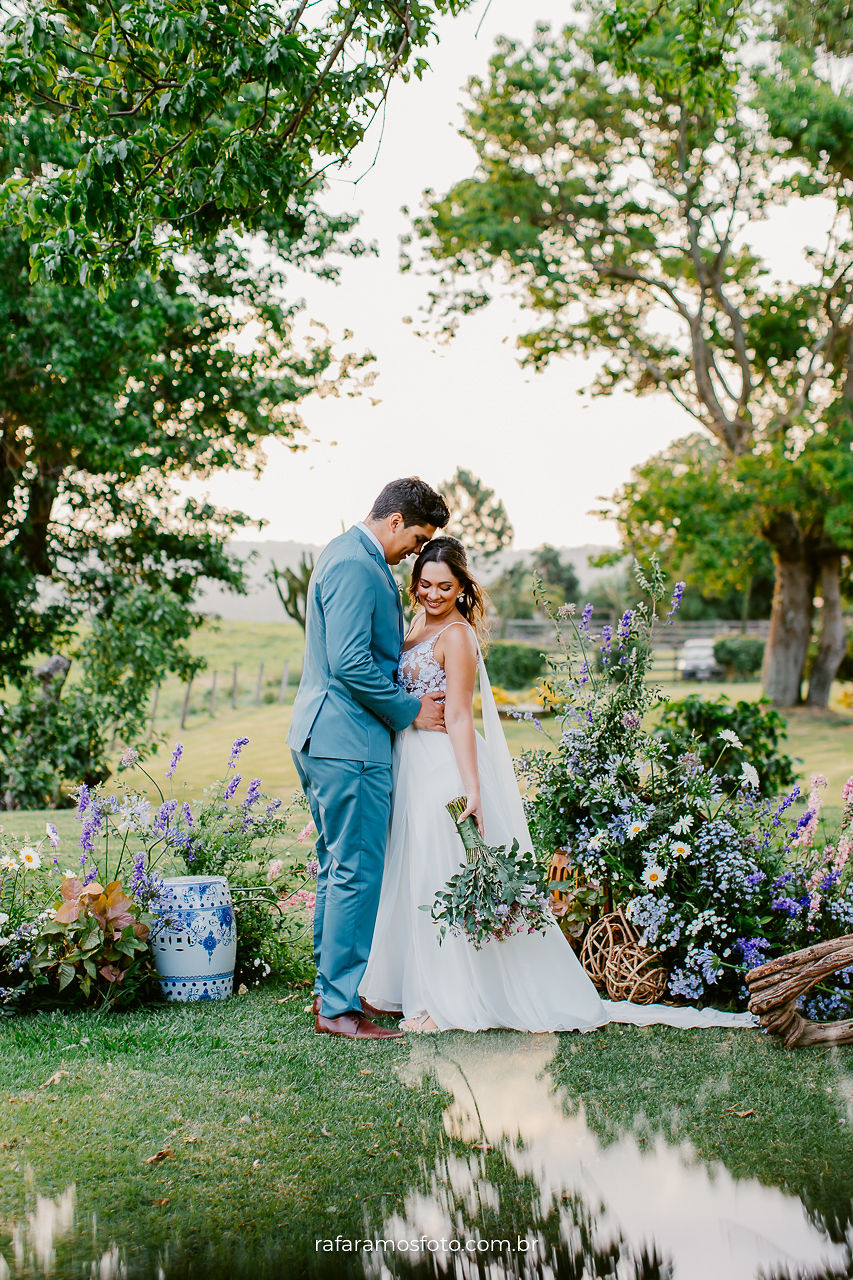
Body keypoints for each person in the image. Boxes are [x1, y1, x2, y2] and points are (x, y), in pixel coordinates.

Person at [360, 536, 608, 1033]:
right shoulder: (415, 625)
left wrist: (472, 790)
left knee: (436, 872)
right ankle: (408, 984)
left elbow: (457, 715)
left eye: (444, 587)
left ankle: (443, 999)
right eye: (425, 584)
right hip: (407, 760)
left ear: (461, 587)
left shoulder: (456, 636)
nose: (432, 594)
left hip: (441, 768)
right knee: (409, 872)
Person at [288, 477, 450, 1041]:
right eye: (419, 537)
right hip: (348, 741)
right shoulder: (358, 564)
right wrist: (410, 710)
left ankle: (334, 995)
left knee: (339, 869)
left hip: (329, 737)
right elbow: (352, 664)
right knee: (356, 872)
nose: (417, 552)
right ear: (397, 520)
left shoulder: (347, 554)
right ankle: (336, 1008)